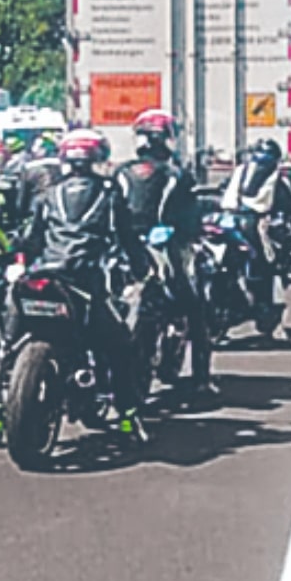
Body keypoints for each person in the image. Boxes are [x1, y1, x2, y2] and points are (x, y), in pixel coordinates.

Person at [0, 129, 148, 447]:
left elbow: (30, 238)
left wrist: (10, 251)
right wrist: (142, 270)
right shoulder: (109, 195)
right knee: (121, 346)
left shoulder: (49, 195)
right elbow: (128, 239)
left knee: (7, 347)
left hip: (40, 277)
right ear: (98, 158)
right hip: (83, 282)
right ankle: (127, 418)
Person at [114, 111, 214, 399]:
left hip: (122, 247)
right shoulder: (177, 176)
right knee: (195, 306)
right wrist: (191, 234)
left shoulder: (121, 172)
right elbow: (189, 219)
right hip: (161, 249)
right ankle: (201, 378)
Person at [220, 139, 291, 337]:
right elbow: (288, 203)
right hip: (254, 224)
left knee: (226, 266)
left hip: (228, 220)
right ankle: (264, 308)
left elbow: (222, 190)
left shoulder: (240, 170)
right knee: (267, 267)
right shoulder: (276, 176)